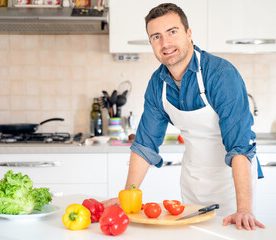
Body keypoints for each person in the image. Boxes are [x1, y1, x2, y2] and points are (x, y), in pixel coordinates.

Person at [104, 3, 265, 230]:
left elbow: (240, 145)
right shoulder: (157, 84)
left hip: (233, 182)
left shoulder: (221, 75)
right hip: (192, 179)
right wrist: (126, 199)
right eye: (156, 37)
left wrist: (244, 208)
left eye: (172, 32)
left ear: (189, 34)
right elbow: (144, 145)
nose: (165, 43)